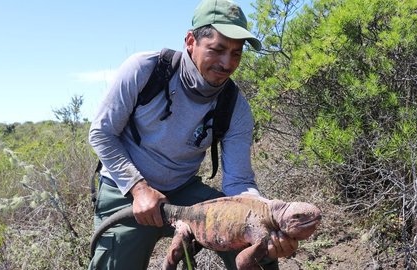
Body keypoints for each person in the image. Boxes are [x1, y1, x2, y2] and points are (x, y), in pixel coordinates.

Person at [88, 0, 298, 269]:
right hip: (125, 188)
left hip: (184, 191)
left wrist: (266, 216)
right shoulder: (145, 69)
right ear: (191, 41)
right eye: (217, 49)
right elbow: (102, 133)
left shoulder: (235, 106)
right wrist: (138, 189)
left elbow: (239, 181)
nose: (227, 63)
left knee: (262, 251)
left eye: (236, 53)